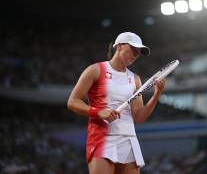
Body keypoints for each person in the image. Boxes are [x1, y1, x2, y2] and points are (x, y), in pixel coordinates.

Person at [67, 32, 166, 174]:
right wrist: (99, 112)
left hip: (129, 139)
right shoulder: (96, 70)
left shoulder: (135, 79)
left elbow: (139, 117)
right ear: (119, 46)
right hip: (103, 138)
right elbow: (72, 102)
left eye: (139, 52)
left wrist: (156, 95)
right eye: (133, 49)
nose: (136, 54)